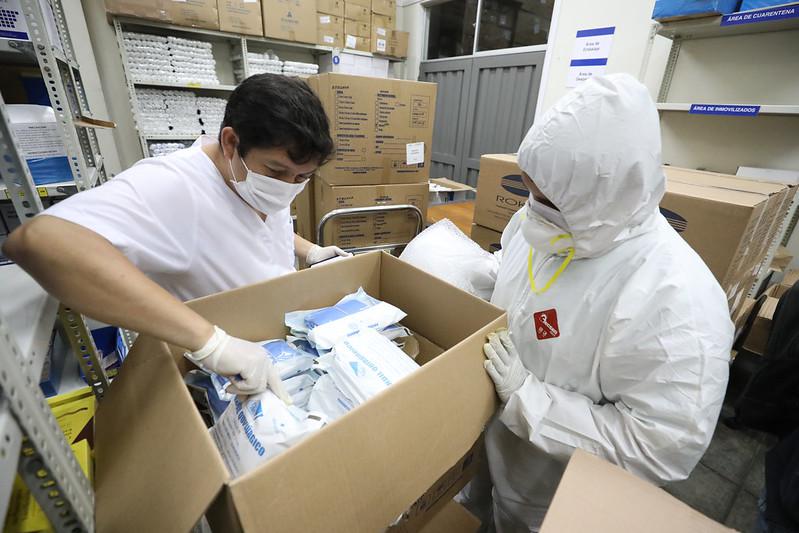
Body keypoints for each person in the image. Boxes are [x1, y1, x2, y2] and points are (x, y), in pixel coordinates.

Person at [471, 73, 733, 531]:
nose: (532, 207)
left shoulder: (678, 302)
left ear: (601, 194)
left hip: (550, 497)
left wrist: (527, 400)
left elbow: (658, 447)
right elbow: (524, 290)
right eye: (529, 188)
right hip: (489, 455)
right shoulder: (542, 221)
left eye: (546, 197)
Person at [2, 74, 349, 398]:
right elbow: (37, 240)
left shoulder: (254, 179)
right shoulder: (172, 185)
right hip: (225, 377)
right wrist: (212, 344)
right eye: (277, 171)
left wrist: (309, 251)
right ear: (230, 142)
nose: (288, 187)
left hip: (279, 347)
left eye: (302, 177)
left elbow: (256, 228)